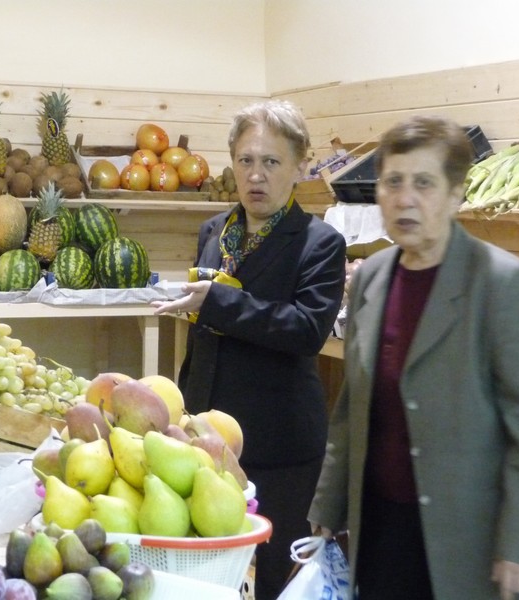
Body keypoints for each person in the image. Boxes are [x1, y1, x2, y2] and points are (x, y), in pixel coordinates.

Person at [307, 115, 519, 600]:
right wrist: (329, 504)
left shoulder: (502, 283)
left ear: (456, 195)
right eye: (393, 181)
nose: (404, 198)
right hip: (385, 529)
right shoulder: (372, 278)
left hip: (478, 538)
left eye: (424, 183)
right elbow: (355, 406)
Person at [152, 99, 347, 599]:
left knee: (270, 580)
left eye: (271, 162)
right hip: (206, 439)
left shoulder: (320, 243)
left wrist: (217, 303)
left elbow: (306, 329)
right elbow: (206, 332)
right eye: (245, 160)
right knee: (209, 575)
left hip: (279, 445)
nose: (255, 175)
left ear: (300, 166)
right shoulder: (214, 232)